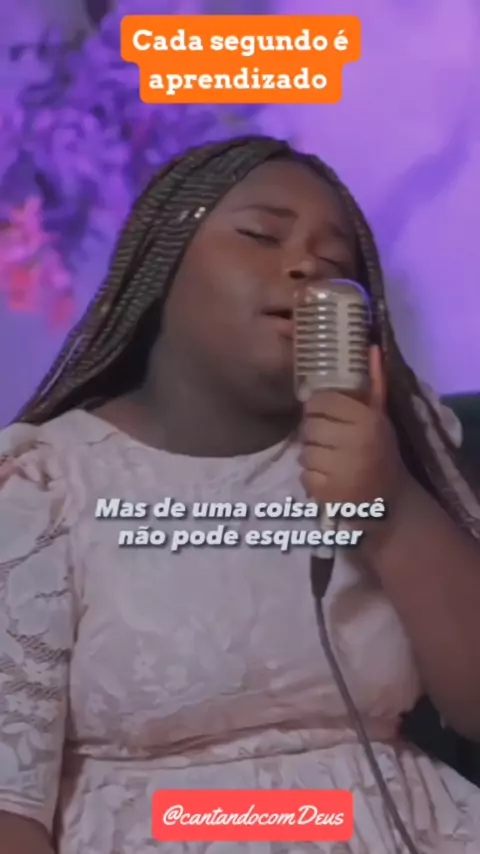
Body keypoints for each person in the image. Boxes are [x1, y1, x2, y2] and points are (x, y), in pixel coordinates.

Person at [0, 135, 479, 854]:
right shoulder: (44, 487)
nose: (307, 267)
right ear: (163, 262)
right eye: (260, 235)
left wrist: (391, 506)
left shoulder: (393, 446)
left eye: (336, 263)